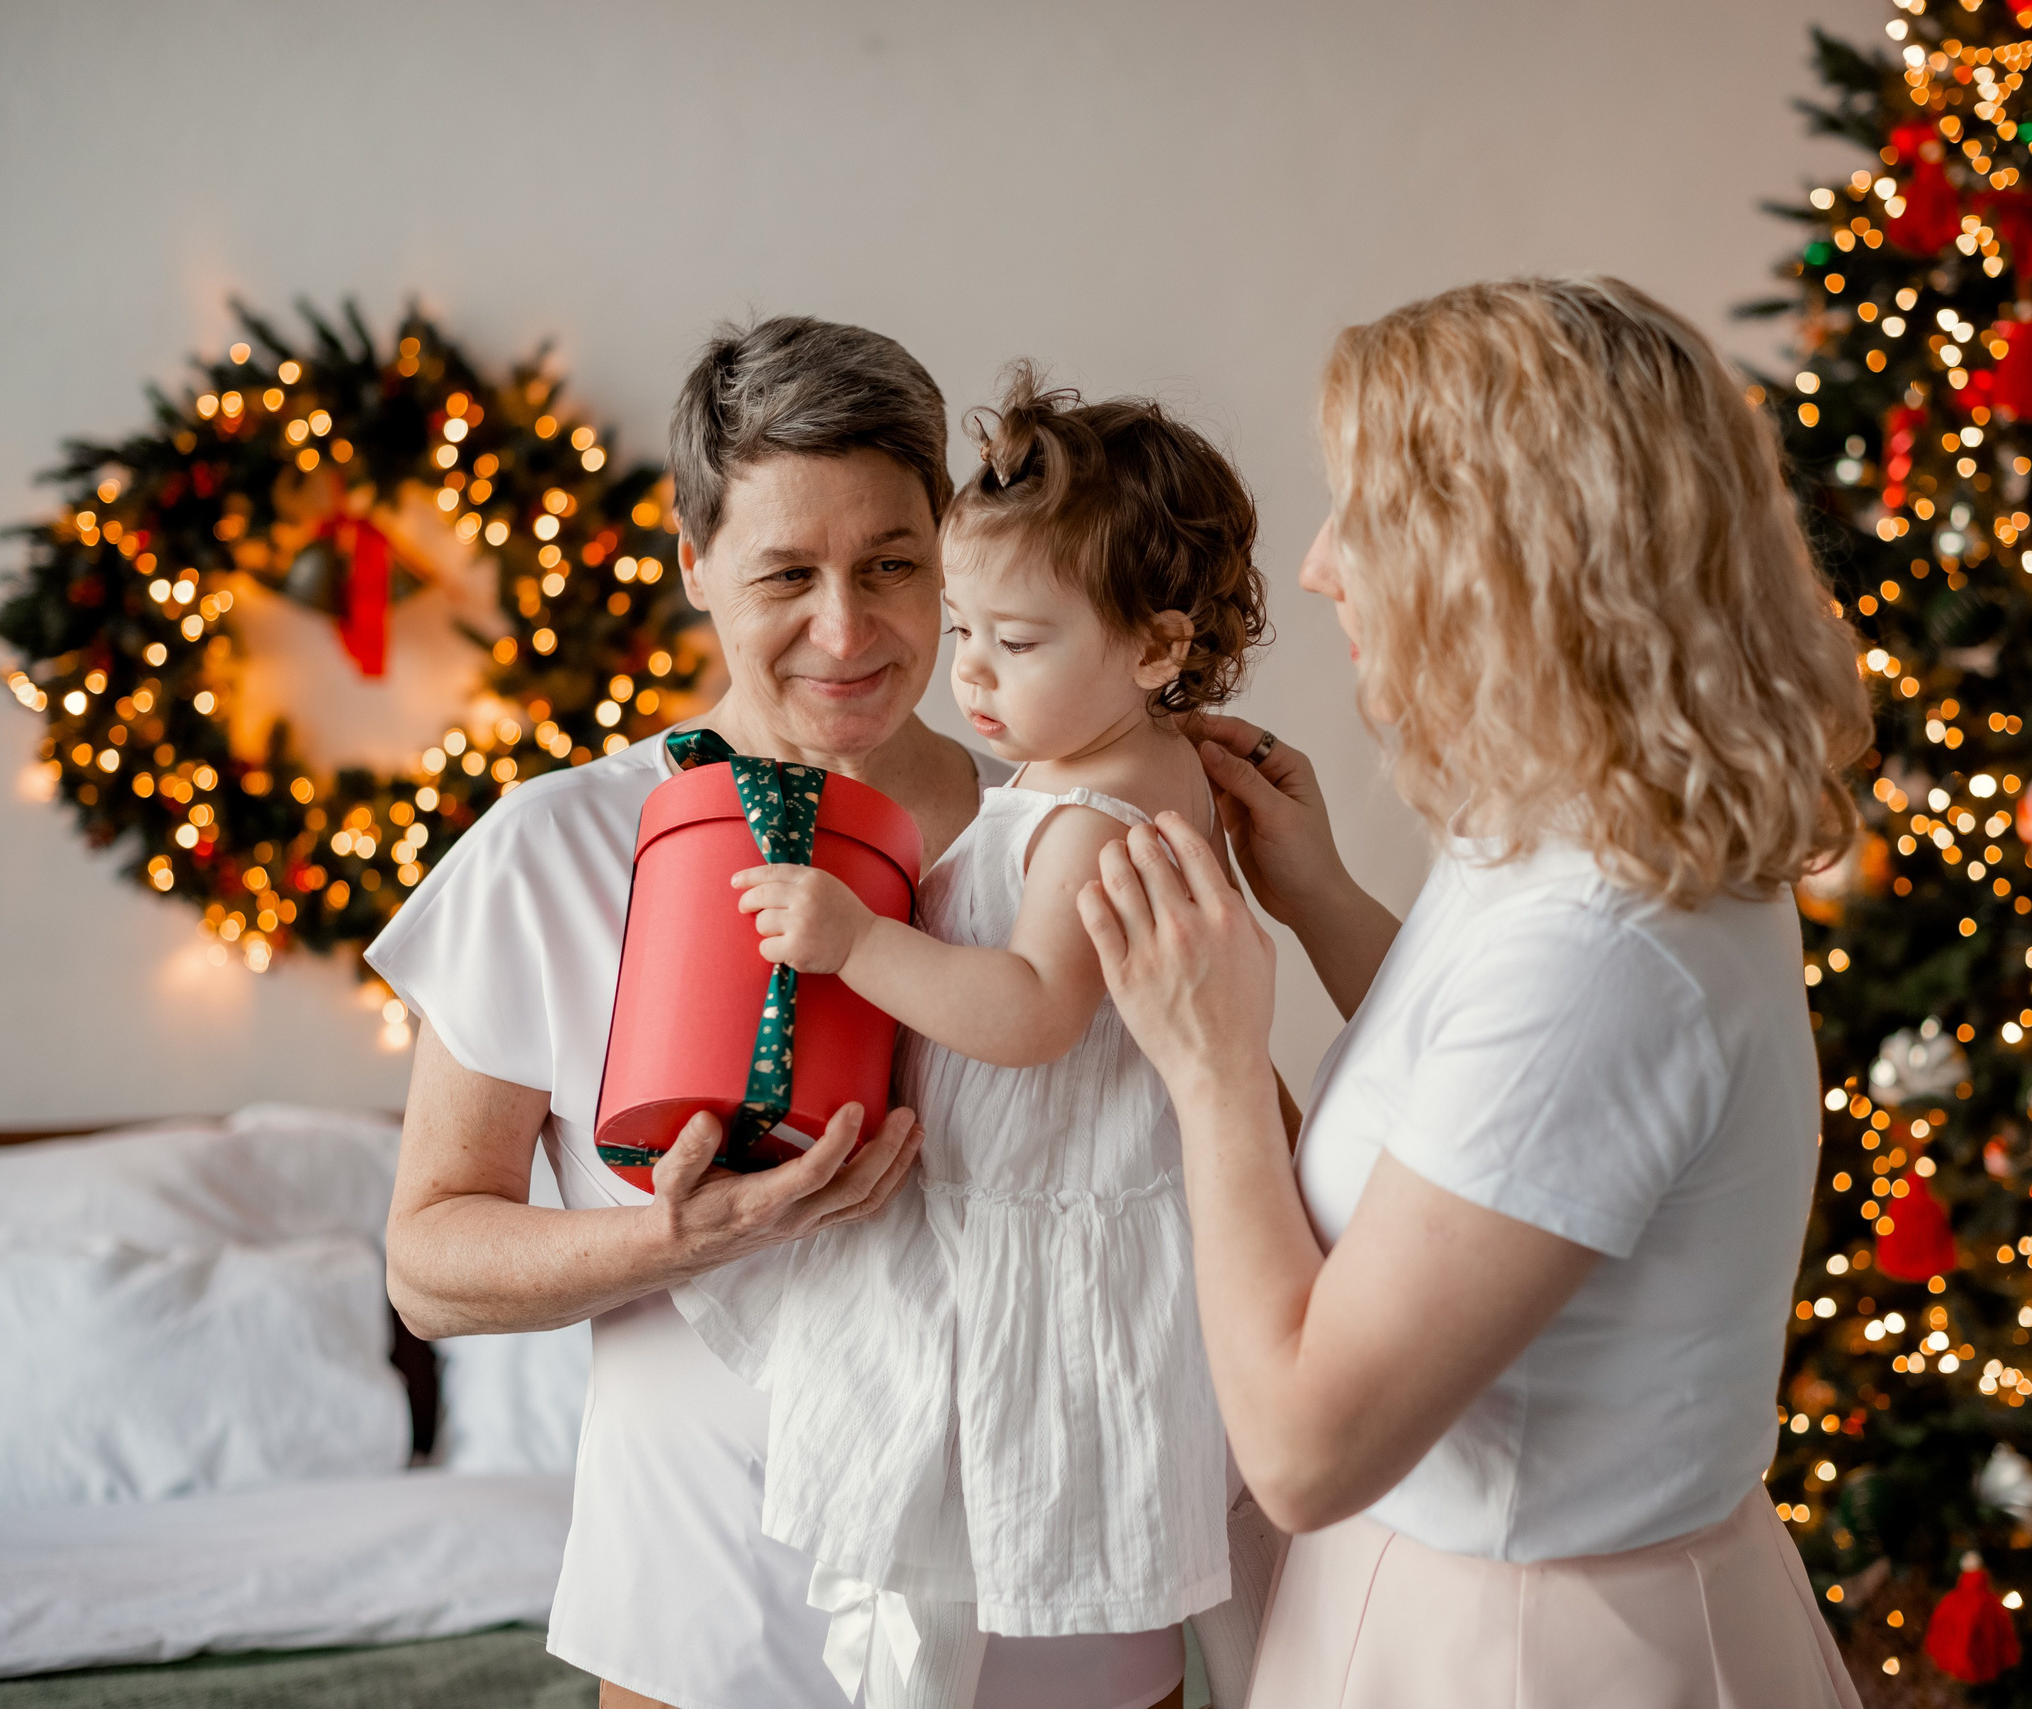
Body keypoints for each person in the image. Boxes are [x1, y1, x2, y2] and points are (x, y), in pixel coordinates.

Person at [1077, 277, 1874, 1707]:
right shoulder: (1597, 811)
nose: (1320, 566)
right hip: (1471, 1600)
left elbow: (1307, 1449)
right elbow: (1502, 1141)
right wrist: (1319, 899)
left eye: (1366, 516)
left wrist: (1211, 1069)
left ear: (1509, 557)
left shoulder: (1605, 950)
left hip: (1522, 1652)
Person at [374, 317, 1190, 1709]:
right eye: (786, 573)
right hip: (711, 1617)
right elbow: (430, 1263)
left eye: (891, 565)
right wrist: (677, 1234)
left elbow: (1222, 1167)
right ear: (694, 561)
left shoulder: (1065, 836)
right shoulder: (557, 850)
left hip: (1058, 1604)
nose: (847, 628)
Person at [682, 368, 1280, 1709]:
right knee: (1013, 1597)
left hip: (1036, 1236)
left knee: (989, 1566)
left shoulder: (1085, 817)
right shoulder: (1117, 766)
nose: (972, 678)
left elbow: (1029, 1011)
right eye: (962, 631)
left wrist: (855, 942)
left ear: (1154, 647)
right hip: (1040, 1210)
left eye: (1016, 641)